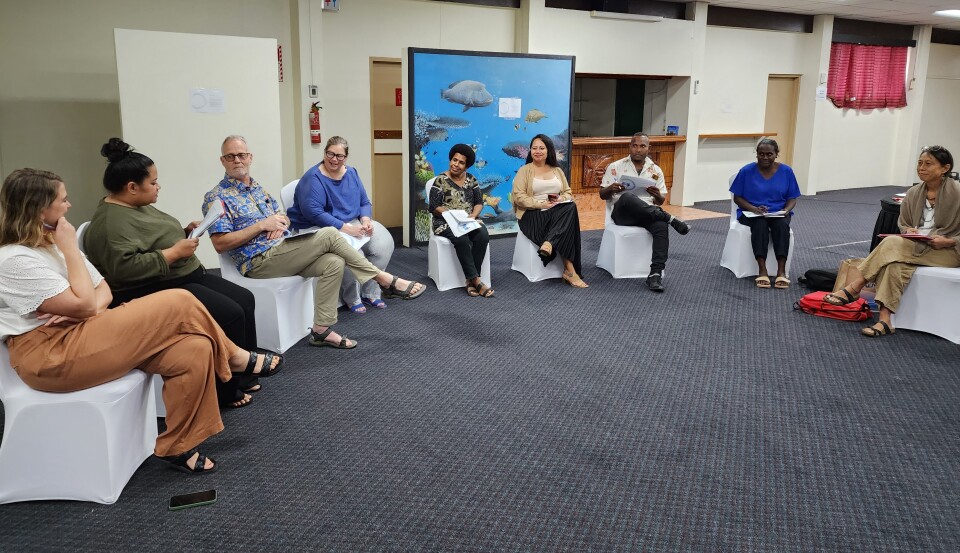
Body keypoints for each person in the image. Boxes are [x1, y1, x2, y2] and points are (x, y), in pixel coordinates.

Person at [0, 168, 282, 474]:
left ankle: (178, 443)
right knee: (180, 299)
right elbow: (84, 302)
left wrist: (84, 305)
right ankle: (235, 356)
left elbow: (102, 290)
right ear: (40, 209)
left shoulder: (53, 242)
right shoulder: (14, 259)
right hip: (51, 356)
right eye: (63, 201)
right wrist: (73, 261)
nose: (68, 206)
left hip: (86, 331)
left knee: (195, 347)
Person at [84, 138, 265, 409]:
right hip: (155, 287)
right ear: (132, 188)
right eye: (153, 182)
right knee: (231, 314)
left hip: (183, 274)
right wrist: (173, 253)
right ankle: (226, 391)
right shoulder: (109, 224)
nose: (158, 187)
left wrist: (184, 232)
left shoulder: (135, 205)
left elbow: (150, 238)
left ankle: (243, 374)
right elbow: (124, 270)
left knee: (245, 299)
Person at [203, 135, 426, 350]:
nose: (237, 161)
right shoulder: (217, 197)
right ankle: (385, 280)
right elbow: (220, 244)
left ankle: (321, 329)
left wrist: (278, 222)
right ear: (222, 161)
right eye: (230, 157)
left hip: (283, 248)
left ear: (250, 157)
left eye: (241, 155)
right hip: (257, 261)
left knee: (333, 262)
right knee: (330, 234)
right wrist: (261, 226)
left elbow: (284, 216)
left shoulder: (257, 188)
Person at [825, 145, 960, 337]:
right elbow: (904, 223)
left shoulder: (958, 194)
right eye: (919, 163)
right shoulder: (913, 193)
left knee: (892, 243)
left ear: (945, 168)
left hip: (947, 252)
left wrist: (949, 241)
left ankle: (855, 286)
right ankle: (885, 320)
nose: (921, 168)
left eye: (929, 164)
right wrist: (909, 230)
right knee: (892, 265)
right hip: (917, 246)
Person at [287, 136, 394, 313]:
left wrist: (365, 220)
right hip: (320, 226)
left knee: (384, 243)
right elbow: (314, 213)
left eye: (339, 156)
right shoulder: (313, 178)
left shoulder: (351, 173)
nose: (334, 159)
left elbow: (364, 202)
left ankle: (370, 291)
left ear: (346, 157)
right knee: (353, 252)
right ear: (324, 153)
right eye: (330, 154)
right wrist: (347, 229)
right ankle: (351, 297)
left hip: (352, 222)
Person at [599, 132, 690, 293]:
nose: (638, 150)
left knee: (661, 225)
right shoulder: (615, 166)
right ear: (630, 146)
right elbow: (602, 195)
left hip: (647, 214)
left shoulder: (656, 170)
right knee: (627, 197)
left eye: (642, 146)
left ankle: (655, 273)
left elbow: (660, 201)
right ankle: (670, 218)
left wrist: (656, 194)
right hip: (622, 214)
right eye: (634, 145)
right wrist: (610, 189)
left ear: (649, 148)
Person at [511, 134, 587, 288]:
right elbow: (518, 197)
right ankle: (570, 270)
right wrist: (541, 205)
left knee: (569, 206)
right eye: (534, 148)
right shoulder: (524, 171)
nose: (537, 151)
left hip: (555, 211)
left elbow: (567, 192)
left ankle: (549, 244)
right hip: (532, 215)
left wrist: (560, 199)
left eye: (541, 148)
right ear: (530, 151)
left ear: (548, 150)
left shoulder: (557, 170)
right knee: (569, 217)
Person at [730, 138, 801, 289]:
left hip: (778, 213)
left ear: (776, 154)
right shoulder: (746, 171)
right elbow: (737, 197)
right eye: (761, 154)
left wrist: (786, 211)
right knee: (760, 224)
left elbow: (792, 198)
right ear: (756, 155)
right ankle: (762, 270)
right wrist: (753, 209)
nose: (765, 157)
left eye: (769, 154)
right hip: (751, 213)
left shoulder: (786, 171)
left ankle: (781, 271)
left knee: (781, 226)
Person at [428, 144, 493, 297]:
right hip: (444, 222)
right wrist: (451, 215)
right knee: (461, 239)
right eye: (454, 160)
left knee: (482, 236)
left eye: (460, 162)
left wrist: (473, 216)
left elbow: (479, 202)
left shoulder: (472, 179)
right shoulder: (440, 180)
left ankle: (470, 281)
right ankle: (475, 280)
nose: (455, 164)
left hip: (467, 221)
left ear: (466, 166)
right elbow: (433, 206)